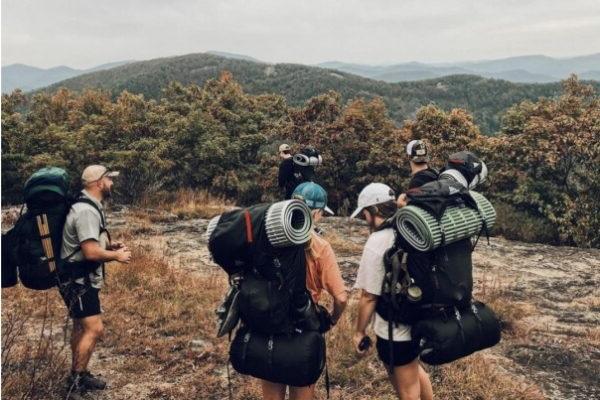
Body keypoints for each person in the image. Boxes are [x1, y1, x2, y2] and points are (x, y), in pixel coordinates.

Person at [261, 182, 348, 400]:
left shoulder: (268, 238)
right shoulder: (320, 247)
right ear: (317, 213)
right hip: (303, 328)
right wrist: (332, 320)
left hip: (269, 323)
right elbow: (341, 297)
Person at [350, 183, 433, 400]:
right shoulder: (411, 229)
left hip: (395, 330)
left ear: (372, 211)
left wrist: (359, 332)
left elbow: (368, 297)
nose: (364, 219)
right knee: (414, 370)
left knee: (406, 390)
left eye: (364, 214)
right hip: (420, 317)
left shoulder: (377, 241)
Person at [59, 165, 132, 398]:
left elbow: (87, 244)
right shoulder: (86, 211)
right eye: (109, 179)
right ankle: (74, 385)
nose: (112, 183)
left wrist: (108, 246)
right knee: (94, 328)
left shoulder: (88, 206)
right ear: (98, 182)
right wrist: (117, 256)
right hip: (78, 280)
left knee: (81, 326)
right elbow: (90, 252)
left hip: (77, 277)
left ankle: (79, 374)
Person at [397, 140, 439, 207]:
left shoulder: (417, 182)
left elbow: (421, 210)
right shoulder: (435, 173)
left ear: (408, 156)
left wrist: (402, 204)